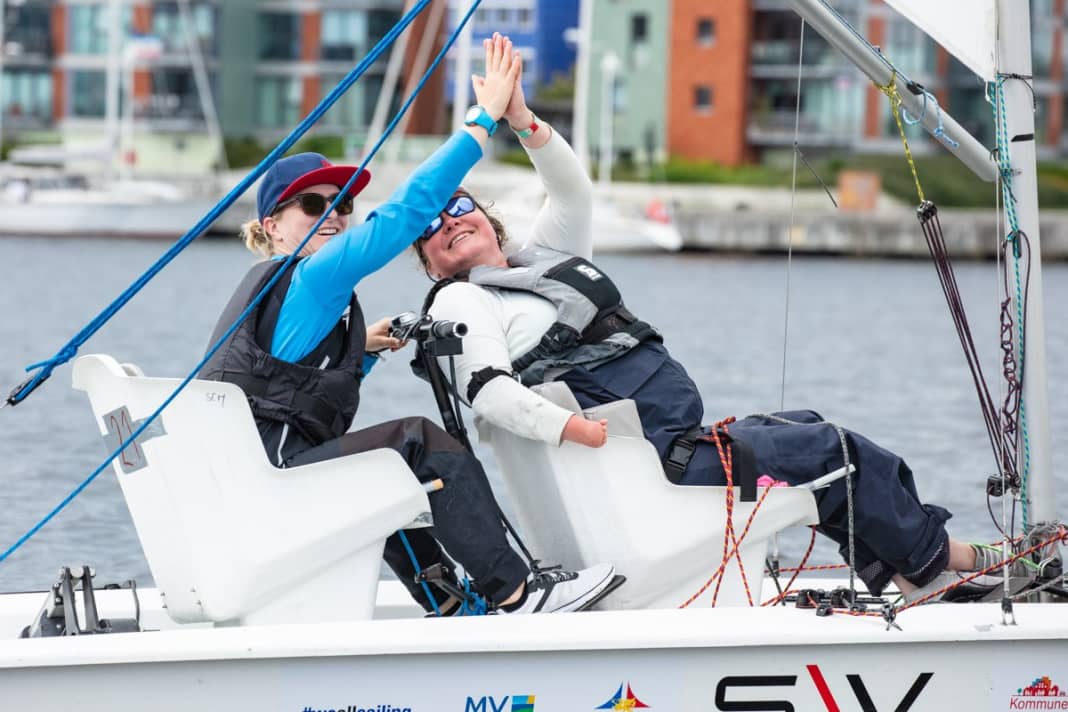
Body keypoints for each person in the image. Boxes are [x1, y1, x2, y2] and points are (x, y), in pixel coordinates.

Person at [411, 55, 1028, 603]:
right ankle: (951, 561)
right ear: (429, 263)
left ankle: (910, 573)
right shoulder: (463, 299)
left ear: (486, 217)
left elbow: (571, 191)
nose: (449, 222)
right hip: (660, 462)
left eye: (458, 206)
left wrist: (521, 118)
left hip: (673, 445)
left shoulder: (539, 262)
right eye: (429, 227)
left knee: (805, 426)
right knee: (837, 452)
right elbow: (490, 391)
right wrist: (571, 427)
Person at [199, 34, 617, 616]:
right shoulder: (312, 276)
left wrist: (362, 352)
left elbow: (285, 392)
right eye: (314, 206)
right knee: (417, 442)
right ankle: (518, 593)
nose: (334, 215)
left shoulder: (275, 290)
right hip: (271, 478)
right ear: (272, 227)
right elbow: (401, 216)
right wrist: (482, 122)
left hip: (249, 479)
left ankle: (449, 605)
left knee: (380, 467)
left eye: (343, 204)